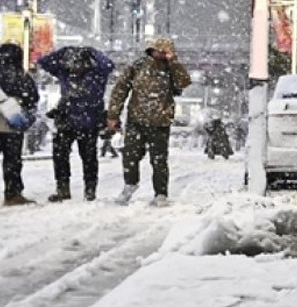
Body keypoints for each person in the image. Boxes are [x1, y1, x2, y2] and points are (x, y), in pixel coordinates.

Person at [106, 37, 192, 207]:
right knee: (130, 155)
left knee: (159, 160)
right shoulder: (137, 66)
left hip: (161, 122)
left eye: (165, 52)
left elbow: (184, 82)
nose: (161, 54)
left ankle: (161, 193)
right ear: (152, 50)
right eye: (159, 51)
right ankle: (130, 184)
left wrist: (173, 62)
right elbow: (120, 90)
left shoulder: (171, 69)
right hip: (136, 119)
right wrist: (113, 115)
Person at [38, 46, 115, 202]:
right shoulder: (65, 73)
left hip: (89, 121)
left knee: (89, 158)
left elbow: (108, 65)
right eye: (72, 62)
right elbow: (43, 62)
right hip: (67, 120)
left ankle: (90, 190)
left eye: (78, 63)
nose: (75, 67)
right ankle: (63, 188)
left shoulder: (96, 75)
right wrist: (65, 50)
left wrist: (93, 51)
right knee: (60, 157)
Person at [0, 43, 38, 206]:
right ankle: (12, 193)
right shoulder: (21, 75)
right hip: (12, 123)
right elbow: (33, 97)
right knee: (12, 160)